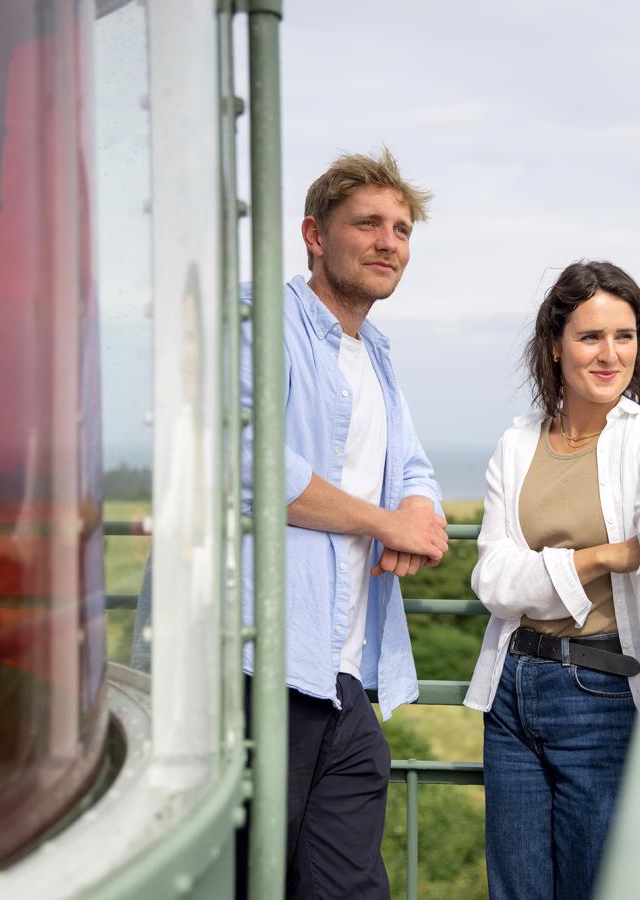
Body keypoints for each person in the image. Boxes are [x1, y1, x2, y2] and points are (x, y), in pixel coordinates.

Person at [462, 260, 640, 900]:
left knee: (597, 888)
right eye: (590, 337)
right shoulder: (516, 442)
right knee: (516, 892)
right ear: (555, 346)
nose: (611, 355)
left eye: (626, 335)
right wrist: (604, 557)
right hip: (510, 689)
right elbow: (493, 579)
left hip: (599, 691)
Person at [236, 148, 449, 900]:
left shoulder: (376, 354)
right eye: (367, 223)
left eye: (401, 228)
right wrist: (386, 523)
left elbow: (415, 471)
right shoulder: (259, 318)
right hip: (259, 667)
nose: (389, 241)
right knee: (245, 879)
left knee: (348, 887)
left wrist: (415, 513)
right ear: (314, 235)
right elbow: (251, 468)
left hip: (344, 674)